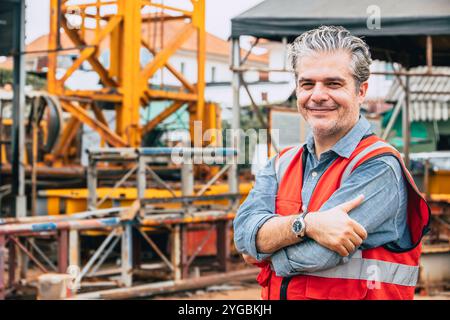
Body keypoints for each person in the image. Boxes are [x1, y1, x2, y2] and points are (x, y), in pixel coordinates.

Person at [233, 26, 430, 300]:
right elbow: (242, 235)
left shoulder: (380, 167)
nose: (318, 95)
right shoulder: (281, 163)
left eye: (333, 84)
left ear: (361, 91)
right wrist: (307, 225)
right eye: (307, 84)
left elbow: (317, 255)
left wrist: (261, 249)